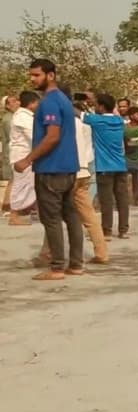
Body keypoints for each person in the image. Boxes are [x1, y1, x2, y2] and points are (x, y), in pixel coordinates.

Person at [14, 59, 82, 281]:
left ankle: (57, 268)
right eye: (31, 75)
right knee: (71, 216)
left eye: (36, 75)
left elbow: (52, 137)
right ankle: (76, 264)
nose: (32, 79)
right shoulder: (63, 100)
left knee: (51, 219)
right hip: (69, 167)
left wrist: (27, 160)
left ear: (50, 75)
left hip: (51, 169)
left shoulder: (49, 102)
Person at [85, 94, 130, 239]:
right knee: (122, 200)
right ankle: (123, 230)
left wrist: (83, 102)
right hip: (121, 166)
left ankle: (107, 230)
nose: (95, 107)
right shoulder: (119, 120)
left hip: (104, 167)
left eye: (97, 105)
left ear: (102, 107)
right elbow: (113, 112)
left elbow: (77, 113)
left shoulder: (97, 121)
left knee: (107, 201)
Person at [72, 102, 108, 263]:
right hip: (87, 166)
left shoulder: (67, 124)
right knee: (89, 214)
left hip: (70, 171)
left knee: (54, 215)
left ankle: (49, 253)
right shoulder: (85, 124)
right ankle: (101, 252)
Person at [7, 91, 37, 226]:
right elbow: (33, 136)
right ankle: (14, 215)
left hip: (27, 156)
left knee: (31, 185)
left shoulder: (27, 116)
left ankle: (30, 211)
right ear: (31, 103)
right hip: (22, 157)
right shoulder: (22, 117)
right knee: (22, 186)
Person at [1, 95, 17, 215]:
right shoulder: (9, 119)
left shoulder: (12, 117)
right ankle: (6, 206)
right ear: (7, 105)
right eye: (13, 101)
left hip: (11, 153)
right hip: (11, 154)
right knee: (13, 180)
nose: (17, 103)